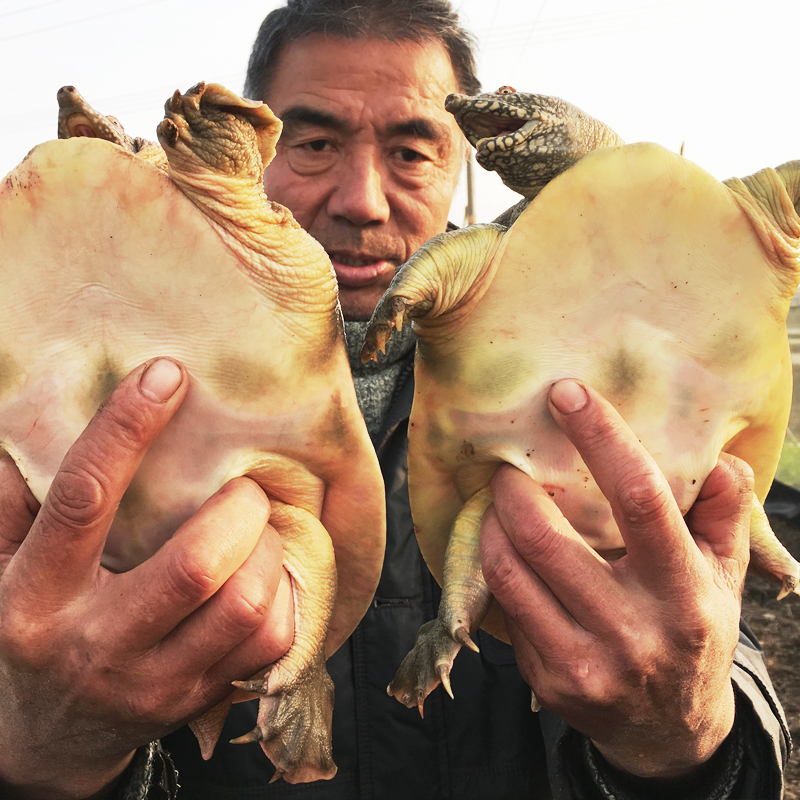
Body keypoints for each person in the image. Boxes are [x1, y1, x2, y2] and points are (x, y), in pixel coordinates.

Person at [0, 1, 790, 798]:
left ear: (464, 164)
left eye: (413, 151)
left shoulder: (605, 352)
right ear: (257, 152)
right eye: (314, 144)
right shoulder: (77, 387)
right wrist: (40, 755)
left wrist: (683, 740)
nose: (363, 200)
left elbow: (703, 636)